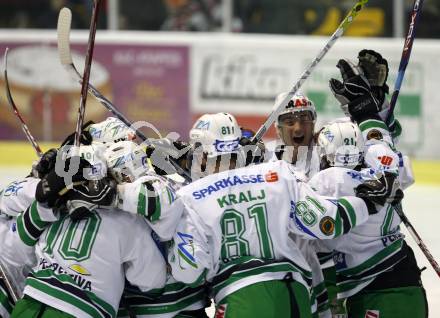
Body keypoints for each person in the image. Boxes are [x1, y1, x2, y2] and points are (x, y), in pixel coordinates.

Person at [167, 108, 401, 317]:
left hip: (242, 298)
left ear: (202, 153)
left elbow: (188, 271)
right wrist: (369, 202)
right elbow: (325, 222)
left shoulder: (188, 198)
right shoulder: (277, 173)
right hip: (297, 294)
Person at [9, 145, 167, 318]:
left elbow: (18, 248)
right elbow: (152, 282)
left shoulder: (57, 205)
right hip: (82, 310)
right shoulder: (131, 221)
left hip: (30, 302)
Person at [309, 120, 428, 318]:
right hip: (405, 277)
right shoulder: (380, 168)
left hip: (376, 288)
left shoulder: (326, 181)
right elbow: (403, 167)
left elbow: (316, 241)